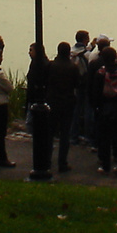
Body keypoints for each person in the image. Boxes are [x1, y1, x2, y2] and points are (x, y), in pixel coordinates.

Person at [90, 45, 117, 175]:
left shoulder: (100, 74)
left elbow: (95, 93)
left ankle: (105, 164)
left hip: (104, 108)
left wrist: (96, 106)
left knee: (104, 138)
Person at [46, 41, 81, 173]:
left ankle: (47, 161)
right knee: (65, 134)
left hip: (52, 102)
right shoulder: (73, 67)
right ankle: (62, 162)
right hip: (67, 103)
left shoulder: (51, 66)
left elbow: (46, 81)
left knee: (50, 133)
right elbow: (77, 84)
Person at [71, 30, 92, 145]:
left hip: (75, 84)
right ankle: (88, 136)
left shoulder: (72, 51)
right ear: (85, 39)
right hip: (85, 84)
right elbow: (91, 57)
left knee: (75, 110)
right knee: (88, 110)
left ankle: (74, 135)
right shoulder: (86, 54)